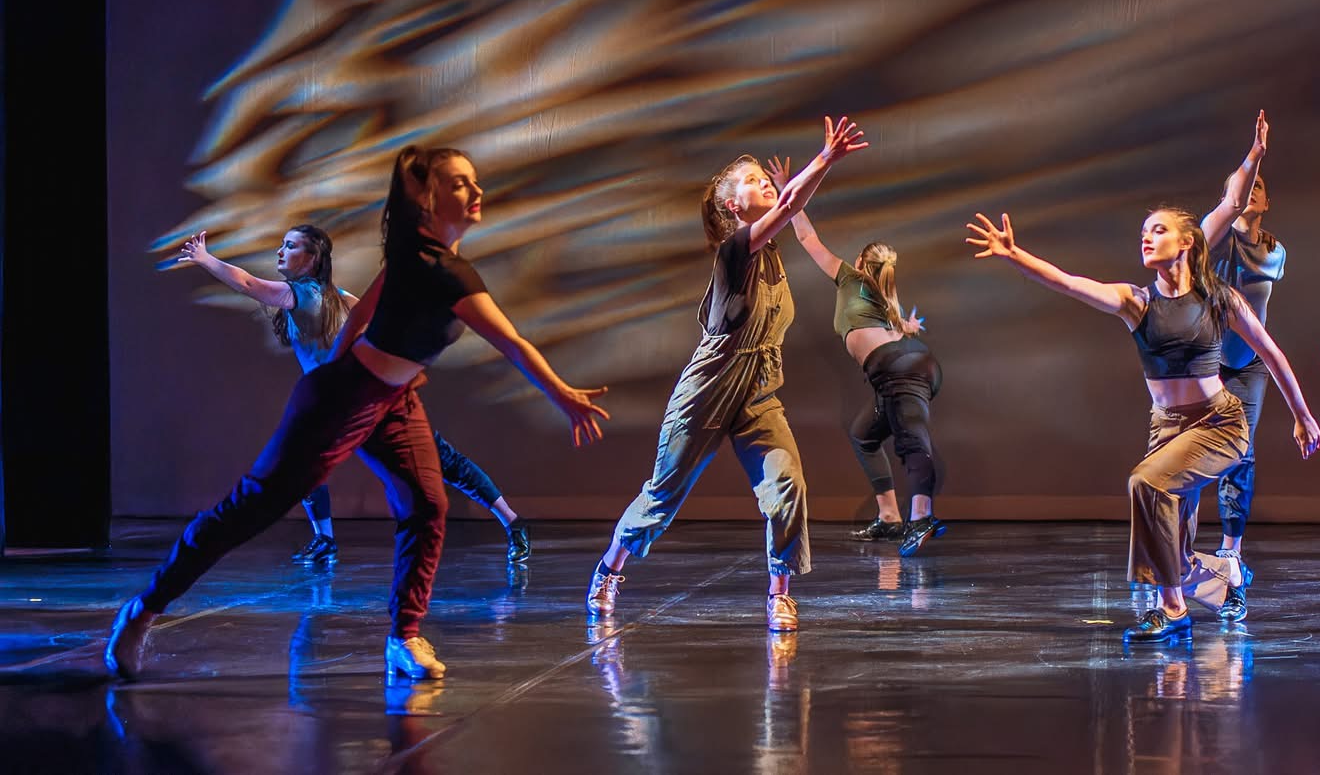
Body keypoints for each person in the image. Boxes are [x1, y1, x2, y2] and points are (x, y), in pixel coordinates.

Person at [107, 147, 610, 682]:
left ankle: (404, 638)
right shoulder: (442, 272)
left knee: (426, 504)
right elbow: (509, 341)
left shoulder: (415, 261)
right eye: (461, 183)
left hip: (394, 402)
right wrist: (561, 394)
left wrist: (385, 366)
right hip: (342, 400)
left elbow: (361, 311)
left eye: (474, 180)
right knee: (250, 508)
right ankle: (142, 612)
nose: (476, 191)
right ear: (428, 198)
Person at [966, 177, 1320, 644]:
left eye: (1157, 230)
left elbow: (1271, 355)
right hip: (1168, 430)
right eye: (1142, 234)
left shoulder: (1219, 298)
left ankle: (1172, 610)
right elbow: (1071, 283)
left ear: (1187, 242)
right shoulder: (1137, 302)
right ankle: (1221, 583)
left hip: (1219, 423)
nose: (1146, 239)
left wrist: (1302, 414)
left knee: (1145, 482)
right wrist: (1017, 257)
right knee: (1174, 539)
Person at [586, 117, 868, 633]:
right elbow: (787, 208)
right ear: (734, 207)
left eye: (767, 178)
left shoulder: (774, 250)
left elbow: (793, 212)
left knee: (787, 485)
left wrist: (794, 186)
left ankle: (779, 594)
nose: (767, 184)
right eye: (755, 182)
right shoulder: (735, 250)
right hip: (709, 391)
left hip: (759, 391)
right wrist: (825, 158)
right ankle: (609, 571)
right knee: (661, 499)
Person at [176, 225, 536, 566]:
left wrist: (206, 259)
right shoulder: (338, 297)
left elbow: (247, 283)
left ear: (313, 257)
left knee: (439, 462)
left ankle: (513, 522)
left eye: (290, 245)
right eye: (282, 244)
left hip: (358, 402)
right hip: (341, 403)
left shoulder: (303, 294)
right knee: (301, 462)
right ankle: (325, 541)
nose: (280, 250)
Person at [1196, 110, 1276, 621]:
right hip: (1204, 363)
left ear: (1266, 201)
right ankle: (1173, 553)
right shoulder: (1206, 241)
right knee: (1185, 451)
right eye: (1240, 188)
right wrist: (1253, 157)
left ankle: (1231, 552)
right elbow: (1222, 215)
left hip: (1248, 366)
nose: (1248, 194)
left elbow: (1256, 294)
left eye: (1256, 188)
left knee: (1240, 454)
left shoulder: (1274, 251)